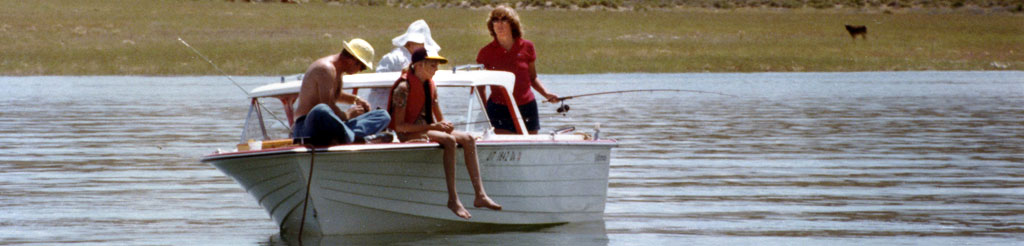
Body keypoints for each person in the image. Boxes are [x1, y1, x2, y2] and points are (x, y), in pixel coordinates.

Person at [388, 48, 502, 219]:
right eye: (432, 65)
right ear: (419, 65)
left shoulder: (430, 85)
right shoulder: (403, 88)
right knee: (449, 141)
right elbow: (400, 127)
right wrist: (436, 126)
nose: (436, 69)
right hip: (408, 133)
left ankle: (480, 195)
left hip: (427, 129)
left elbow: (440, 121)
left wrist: (445, 125)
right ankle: (453, 199)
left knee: (469, 138)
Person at [476, 6, 559, 135]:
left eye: (504, 20)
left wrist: (547, 94)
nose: (499, 24)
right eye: (495, 20)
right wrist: (484, 109)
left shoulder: (527, 46)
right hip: (499, 108)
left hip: (527, 106)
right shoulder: (485, 52)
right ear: (491, 25)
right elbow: (480, 87)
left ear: (512, 24)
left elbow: (532, 78)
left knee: (530, 148)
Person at [292, 38, 391, 146]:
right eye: (362, 67)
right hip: (308, 127)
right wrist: (347, 115)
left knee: (383, 115)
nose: (360, 71)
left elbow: (336, 95)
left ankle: (347, 137)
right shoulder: (325, 69)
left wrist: (356, 100)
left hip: (331, 129)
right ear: (352, 60)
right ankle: (356, 139)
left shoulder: (338, 71)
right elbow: (327, 104)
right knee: (321, 110)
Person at [369, 20, 441, 110]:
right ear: (410, 43)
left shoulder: (423, 60)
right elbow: (378, 85)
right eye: (421, 44)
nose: (424, 47)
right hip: (383, 108)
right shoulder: (393, 58)